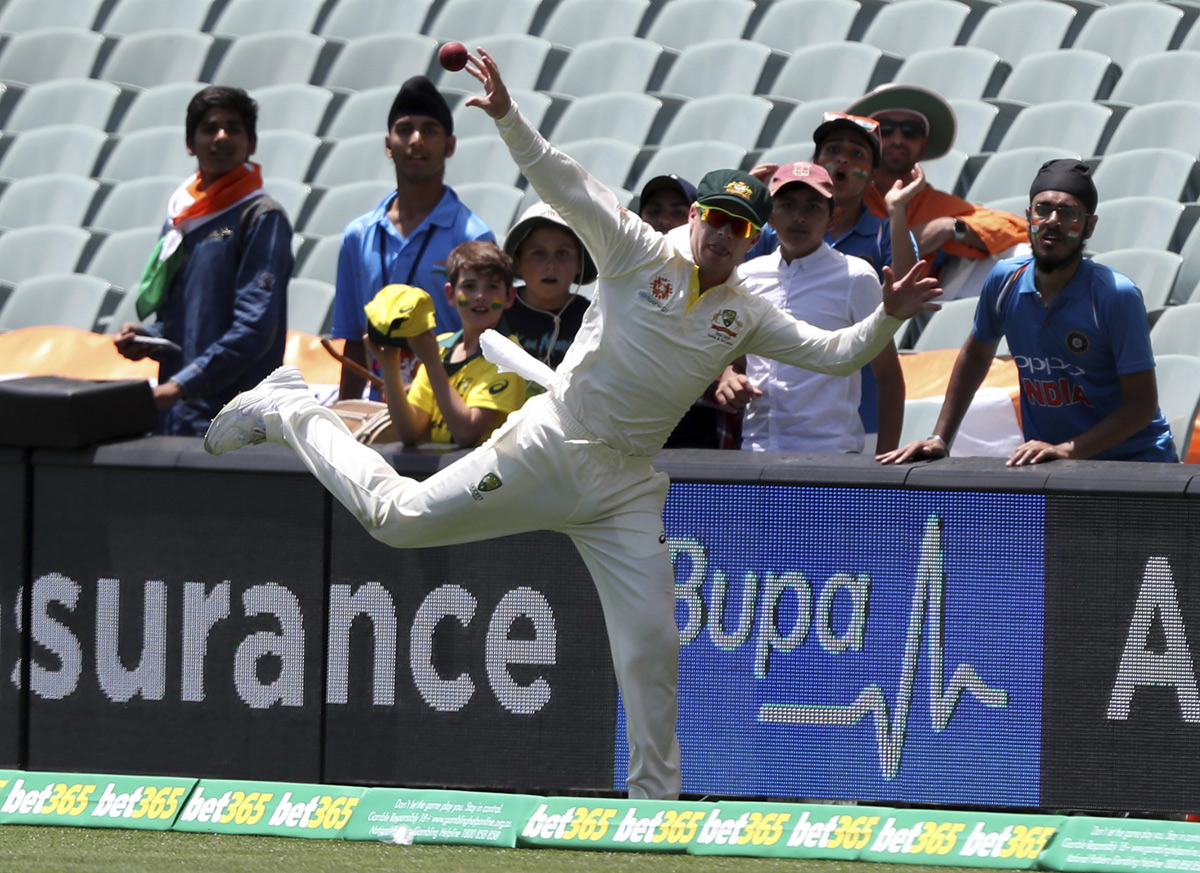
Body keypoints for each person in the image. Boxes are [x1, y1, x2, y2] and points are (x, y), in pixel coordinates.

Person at [202, 48, 941, 801]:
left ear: (751, 240)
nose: (723, 236)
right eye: (714, 218)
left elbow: (835, 351)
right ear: (694, 218)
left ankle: (653, 808)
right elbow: (562, 179)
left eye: (738, 228)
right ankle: (293, 408)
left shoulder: (744, 312)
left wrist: (888, 314)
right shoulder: (635, 250)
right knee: (396, 518)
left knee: (652, 645)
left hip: (623, 491)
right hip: (551, 446)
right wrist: (507, 117)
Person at [879, 159, 1177, 467]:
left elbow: (1141, 406)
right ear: (1028, 218)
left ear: (1089, 225)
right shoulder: (1005, 280)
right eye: (1042, 209)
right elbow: (976, 355)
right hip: (1052, 466)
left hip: (1137, 466)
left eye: (1068, 212)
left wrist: (1067, 450)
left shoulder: (1116, 295)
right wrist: (940, 438)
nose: (1052, 220)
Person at [114, 85, 293, 436]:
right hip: (176, 420)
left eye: (234, 128)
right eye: (210, 128)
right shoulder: (181, 217)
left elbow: (254, 330)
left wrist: (180, 386)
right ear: (190, 143)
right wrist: (149, 337)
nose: (222, 136)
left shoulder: (261, 216)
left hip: (235, 424)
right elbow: (182, 323)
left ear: (251, 144)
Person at [720, 162, 906, 455]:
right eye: (787, 205)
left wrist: (885, 466)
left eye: (813, 207)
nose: (799, 217)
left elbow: (888, 375)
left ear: (833, 218)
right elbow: (738, 359)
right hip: (755, 452)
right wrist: (729, 376)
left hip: (830, 455)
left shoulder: (855, 277)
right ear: (770, 215)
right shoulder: (745, 276)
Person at [330, 75, 496, 402]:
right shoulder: (358, 236)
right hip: (381, 413)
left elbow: (486, 337)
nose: (416, 140)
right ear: (388, 145)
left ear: (449, 146)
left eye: (430, 130)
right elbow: (353, 343)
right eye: (404, 129)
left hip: (448, 413)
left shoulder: (472, 235)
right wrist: (344, 417)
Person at [844, 83, 1029, 300]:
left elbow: (1018, 230)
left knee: (1024, 257)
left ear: (924, 145)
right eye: (885, 129)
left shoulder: (934, 204)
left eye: (910, 131)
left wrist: (947, 227)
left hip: (914, 305)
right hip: (839, 303)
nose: (898, 139)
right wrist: (906, 243)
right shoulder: (846, 195)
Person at [369, 242, 527, 448]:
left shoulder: (507, 356)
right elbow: (410, 432)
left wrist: (433, 362)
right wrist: (389, 366)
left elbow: (467, 433)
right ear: (451, 294)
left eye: (492, 286)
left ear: (509, 297)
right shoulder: (442, 347)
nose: (480, 296)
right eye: (469, 286)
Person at [636, 173, 737, 449]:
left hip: (698, 441)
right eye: (653, 211)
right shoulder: (621, 280)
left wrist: (729, 372)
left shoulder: (728, 289)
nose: (665, 222)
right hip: (628, 438)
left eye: (677, 212)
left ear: (696, 219)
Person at [501, 201, 596, 374]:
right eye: (538, 253)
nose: (551, 265)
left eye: (563, 253)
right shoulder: (496, 311)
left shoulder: (593, 320)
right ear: (517, 262)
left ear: (580, 264)